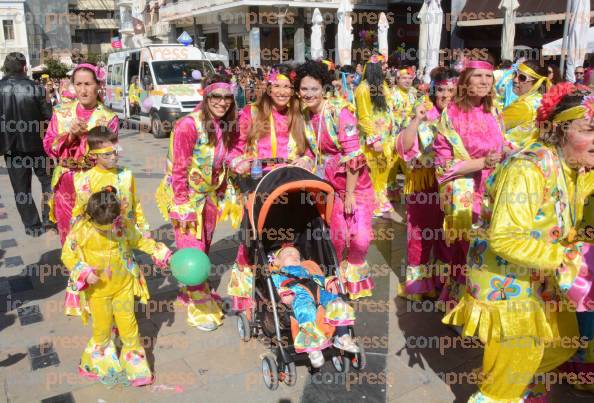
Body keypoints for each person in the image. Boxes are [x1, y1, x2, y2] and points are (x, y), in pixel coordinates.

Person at [443, 83, 594, 402]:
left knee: (562, 340)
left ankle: (523, 391)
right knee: (510, 373)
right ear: (559, 129)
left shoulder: (573, 166)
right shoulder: (528, 167)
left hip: (539, 277)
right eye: (590, 130)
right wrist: (568, 259)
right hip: (507, 283)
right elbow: (506, 237)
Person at [226, 64, 313, 312]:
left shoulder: (299, 115)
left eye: (288, 86)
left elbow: (310, 149)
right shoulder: (250, 113)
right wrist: (238, 162)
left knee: (291, 234)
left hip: (293, 186)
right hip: (258, 186)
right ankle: (244, 297)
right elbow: (234, 148)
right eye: (278, 86)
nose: (283, 91)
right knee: (251, 239)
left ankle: (290, 279)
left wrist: (306, 158)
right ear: (268, 88)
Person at [62, 188, 170, 386]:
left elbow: (139, 241)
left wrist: (161, 253)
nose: (109, 227)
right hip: (98, 292)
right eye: (103, 225)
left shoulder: (121, 223)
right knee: (101, 329)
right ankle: (99, 364)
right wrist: (85, 272)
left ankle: (136, 369)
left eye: (112, 222)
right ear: (91, 217)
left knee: (129, 326)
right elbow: (68, 255)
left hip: (124, 286)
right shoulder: (81, 230)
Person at [155, 73, 238, 331]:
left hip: (209, 196)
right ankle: (200, 306)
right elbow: (179, 168)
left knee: (204, 248)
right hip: (186, 198)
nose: (222, 102)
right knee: (193, 251)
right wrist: (181, 203)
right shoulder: (188, 125)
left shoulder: (225, 124)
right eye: (216, 96)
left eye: (227, 97)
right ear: (206, 95)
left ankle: (189, 291)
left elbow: (223, 159)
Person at [296, 60, 375, 300]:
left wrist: (350, 193)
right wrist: (305, 160)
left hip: (355, 186)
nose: (309, 94)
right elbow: (313, 151)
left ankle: (355, 276)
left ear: (323, 89)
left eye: (314, 88)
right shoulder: (304, 116)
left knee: (360, 239)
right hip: (328, 187)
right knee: (337, 238)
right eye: (304, 89)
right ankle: (338, 280)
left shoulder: (340, 112)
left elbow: (353, 155)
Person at [433, 60, 509, 303]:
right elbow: (442, 166)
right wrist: (483, 163)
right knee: (469, 252)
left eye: (488, 77)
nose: (485, 81)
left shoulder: (494, 111)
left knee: (489, 251)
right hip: (465, 193)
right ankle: (461, 305)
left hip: (495, 190)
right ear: (465, 82)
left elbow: (502, 145)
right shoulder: (452, 114)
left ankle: (479, 305)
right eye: (478, 76)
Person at [395, 67, 458, 301]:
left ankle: (442, 284)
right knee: (420, 236)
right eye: (441, 90)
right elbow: (403, 147)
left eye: (452, 90)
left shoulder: (461, 115)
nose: (446, 95)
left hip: (453, 185)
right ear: (434, 90)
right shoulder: (423, 112)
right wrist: (416, 120)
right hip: (425, 185)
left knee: (447, 237)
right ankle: (418, 286)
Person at [43, 63, 118, 244]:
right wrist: (70, 136)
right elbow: (48, 145)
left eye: (88, 84)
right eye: (78, 84)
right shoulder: (62, 112)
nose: (83, 90)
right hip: (66, 185)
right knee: (70, 237)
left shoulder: (108, 117)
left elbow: (110, 157)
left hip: (95, 183)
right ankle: (76, 272)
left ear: (98, 86)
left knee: (96, 237)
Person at [271, 246, 359, 368]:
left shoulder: (305, 270)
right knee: (306, 311)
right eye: (288, 254)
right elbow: (275, 287)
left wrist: (330, 281)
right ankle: (313, 350)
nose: (294, 255)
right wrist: (283, 293)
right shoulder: (277, 274)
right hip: (298, 295)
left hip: (317, 291)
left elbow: (319, 279)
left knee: (337, 301)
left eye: (297, 255)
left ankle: (342, 336)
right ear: (277, 262)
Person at [0, 52, 54, 236]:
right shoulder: (37, 89)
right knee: (48, 182)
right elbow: (50, 118)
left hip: (11, 148)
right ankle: (49, 217)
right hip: (38, 146)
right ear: (24, 68)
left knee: (21, 189)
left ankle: (33, 226)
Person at [354, 55, 397, 216]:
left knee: (383, 171)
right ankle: (371, 204)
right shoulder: (363, 89)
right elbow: (363, 116)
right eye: (383, 65)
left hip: (387, 138)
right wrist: (374, 138)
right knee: (372, 171)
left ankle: (381, 199)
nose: (386, 68)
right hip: (373, 140)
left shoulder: (383, 86)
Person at [502, 61, 551, 149]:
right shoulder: (543, 100)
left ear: (537, 83)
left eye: (522, 78)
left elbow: (492, 127)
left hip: (509, 157)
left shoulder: (524, 106)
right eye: (515, 74)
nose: (515, 80)